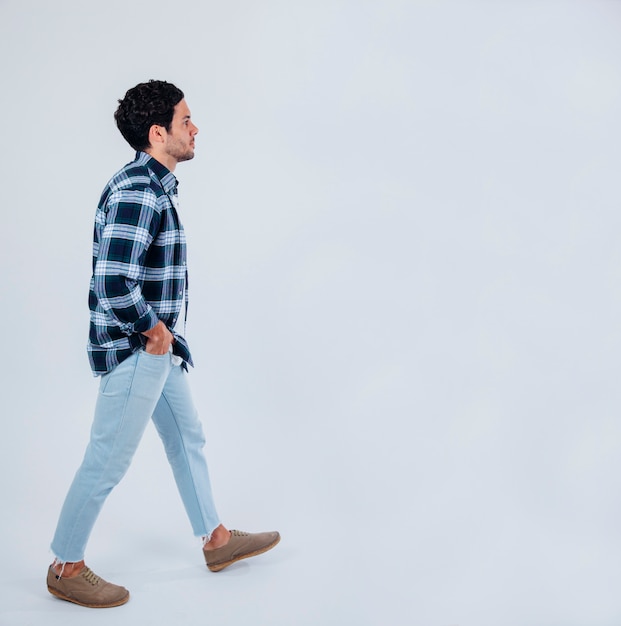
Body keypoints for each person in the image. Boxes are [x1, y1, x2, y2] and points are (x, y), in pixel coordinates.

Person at [46, 80, 280, 609]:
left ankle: (216, 540)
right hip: (136, 350)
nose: (195, 129)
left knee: (187, 439)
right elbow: (113, 283)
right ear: (158, 133)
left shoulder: (155, 189)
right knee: (107, 458)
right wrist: (154, 333)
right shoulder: (137, 191)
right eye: (186, 120)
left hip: (158, 349)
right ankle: (65, 565)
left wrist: (165, 341)